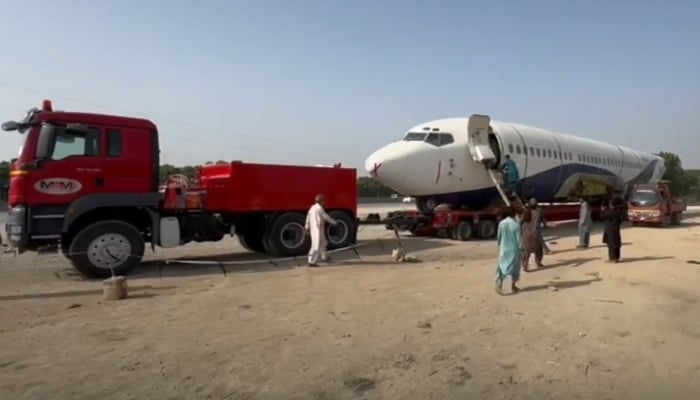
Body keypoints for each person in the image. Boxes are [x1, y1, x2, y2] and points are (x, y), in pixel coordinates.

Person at [495, 206, 523, 295]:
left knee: (502, 267)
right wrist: (522, 249)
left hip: (504, 248)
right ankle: (513, 286)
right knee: (515, 268)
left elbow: (499, 237)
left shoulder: (501, 223)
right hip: (514, 250)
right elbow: (519, 240)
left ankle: (499, 283)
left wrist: (499, 244)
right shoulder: (515, 225)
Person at [305, 194, 338, 267]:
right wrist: (334, 222)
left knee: (323, 243)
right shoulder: (319, 208)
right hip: (317, 230)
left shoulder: (312, 207)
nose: (324, 202)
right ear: (321, 201)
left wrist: (306, 227)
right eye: (323, 201)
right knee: (315, 246)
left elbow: (308, 217)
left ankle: (324, 257)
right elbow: (326, 217)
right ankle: (311, 262)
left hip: (315, 229)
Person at [520, 199, 545, 271]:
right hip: (535, 235)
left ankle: (525, 266)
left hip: (526, 235)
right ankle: (538, 262)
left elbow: (520, 222)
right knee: (539, 250)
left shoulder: (525, 213)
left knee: (525, 252)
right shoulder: (538, 213)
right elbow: (542, 222)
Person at [602, 197, 624, 262]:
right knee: (617, 243)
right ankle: (617, 257)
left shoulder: (609, 212)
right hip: (616, 229)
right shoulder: (619, 211)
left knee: (611, 244)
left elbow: (602, 216)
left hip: (610, 229)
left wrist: (603, 209)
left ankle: (612, 258)